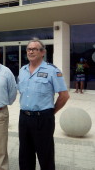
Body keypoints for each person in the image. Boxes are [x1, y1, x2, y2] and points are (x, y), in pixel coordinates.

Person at [18, 38, 70, 170]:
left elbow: (64, 96)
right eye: (29, 49)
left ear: (43, 52)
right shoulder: (22, 70)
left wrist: (50, 112)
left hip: (43, 119)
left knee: (45, 156)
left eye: (34, 49)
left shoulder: (52, 70)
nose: (31, 51)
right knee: (25, 156)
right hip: (24, 118)